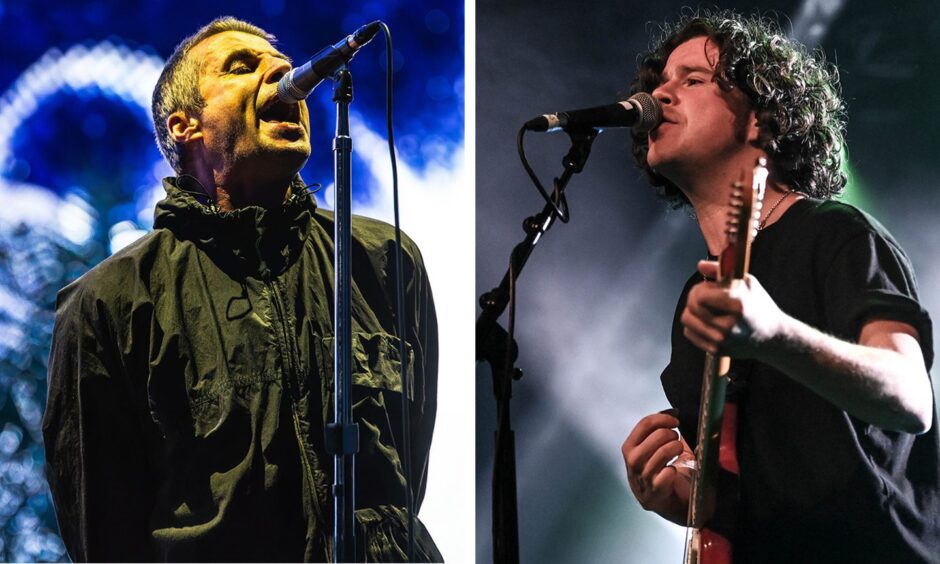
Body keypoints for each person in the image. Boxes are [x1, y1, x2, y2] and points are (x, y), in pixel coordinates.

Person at [42, 17, 442, 562]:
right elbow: (104, 532)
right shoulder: (108, 302)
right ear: (185, 126)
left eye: (278, 62)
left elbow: (408, 470)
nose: (282, 72)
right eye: (241, 66)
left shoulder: (387, 260)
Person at [619, 11, 939, 562]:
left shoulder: (835, 233)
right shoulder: (695, 302)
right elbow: (751, 489)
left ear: (760, 120)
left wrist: (774, 334)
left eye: (692, 80)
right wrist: (682, 500)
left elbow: (911, 398)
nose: (661, 96)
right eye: (659, 84)